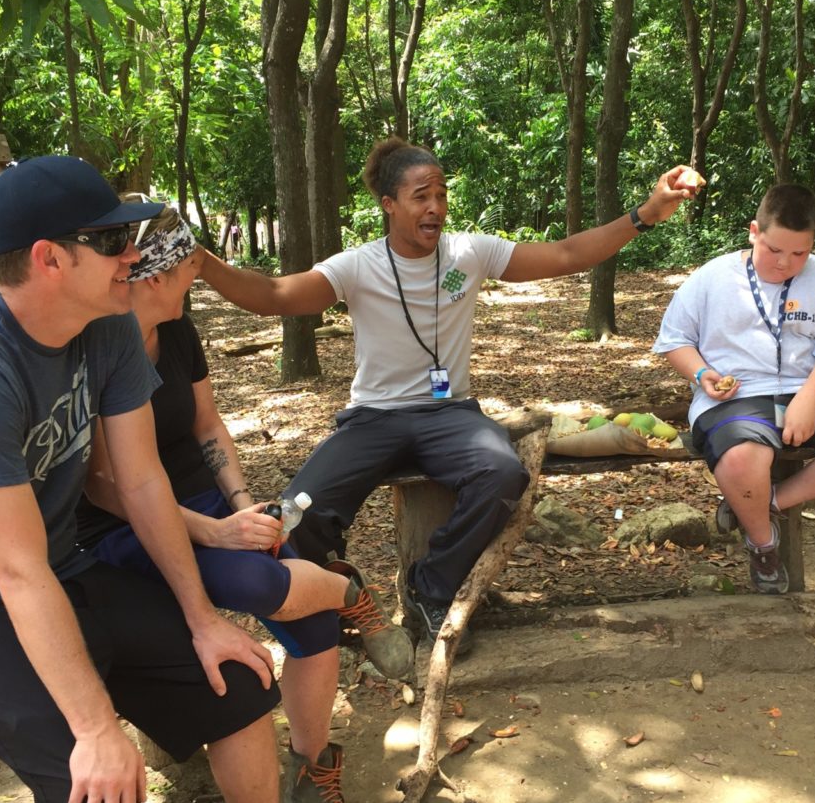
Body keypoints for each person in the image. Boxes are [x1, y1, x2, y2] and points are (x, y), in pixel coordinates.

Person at [0, 156, 283, 803]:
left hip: (62, 569)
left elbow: (141, 480)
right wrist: (97, 729)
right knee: (93, 785)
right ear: (49, 259)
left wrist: (203, 619)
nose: (133, 256)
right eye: (110, 242)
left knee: (236, 684)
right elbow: (13, 571)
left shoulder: (108, 326)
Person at [197, 136, 691, 652]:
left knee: (502, 471)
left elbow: (566, 254)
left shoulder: (468, 253)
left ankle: (430, 587)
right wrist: (206, 264)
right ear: (389, 205)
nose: (435, 207)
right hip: (375, 416)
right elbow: (275, 296)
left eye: (441, 194)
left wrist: (646, 214)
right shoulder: (358, 266)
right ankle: (337, 593)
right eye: (420, 195)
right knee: (300, 511)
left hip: (449, 412)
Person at [75, 196, 414, 803]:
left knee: (306, 624)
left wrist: (243, 507)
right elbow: (109, 485)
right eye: (192, 266)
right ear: (154, 272)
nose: (200, 277)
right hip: (121, 526)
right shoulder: (98, 343)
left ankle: (313, 769)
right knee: (257, 580)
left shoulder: (176, 328)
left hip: (204, 502)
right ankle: (343, 589)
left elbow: (207, 426)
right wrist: (215, 532)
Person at [653, 183, 815, 594]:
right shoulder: (712, 277)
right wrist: (701, 374)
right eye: (774, 250)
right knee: (741, 460)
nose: (786, 263)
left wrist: (806, 401)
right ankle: (762, 542)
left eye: (799, 254)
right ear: (754, 231)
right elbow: (675, 339)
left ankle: (765, 503)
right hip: (740, 394)